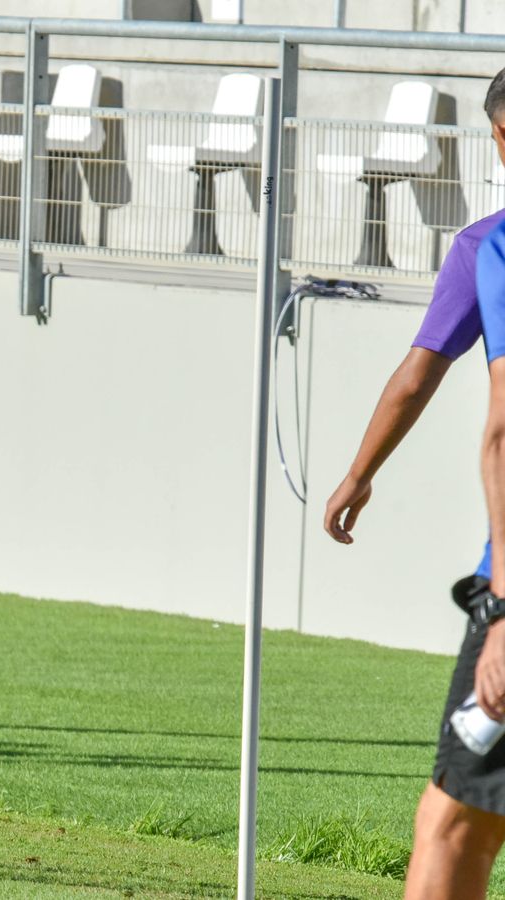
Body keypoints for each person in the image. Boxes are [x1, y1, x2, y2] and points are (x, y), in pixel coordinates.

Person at [353, 69, 505, 900]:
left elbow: (493, 424)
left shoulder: (495, 245)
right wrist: (359, 472)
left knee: (451, 832)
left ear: (498, 139)